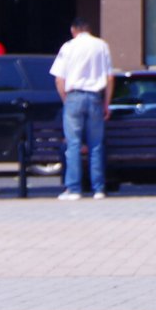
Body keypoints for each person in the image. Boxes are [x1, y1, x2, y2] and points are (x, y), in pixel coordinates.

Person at [49, 18, 114, 200]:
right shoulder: (101, 46)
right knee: (96, 145)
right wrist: (106, 103)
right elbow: (110, 78)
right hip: (95, 97)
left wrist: (66, 100)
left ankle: (74, 188)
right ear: (89, 29)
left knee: (74, 144)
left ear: (73, 29)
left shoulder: (68, 47)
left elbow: (59, 79)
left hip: (74, 96)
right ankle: (98, 188)